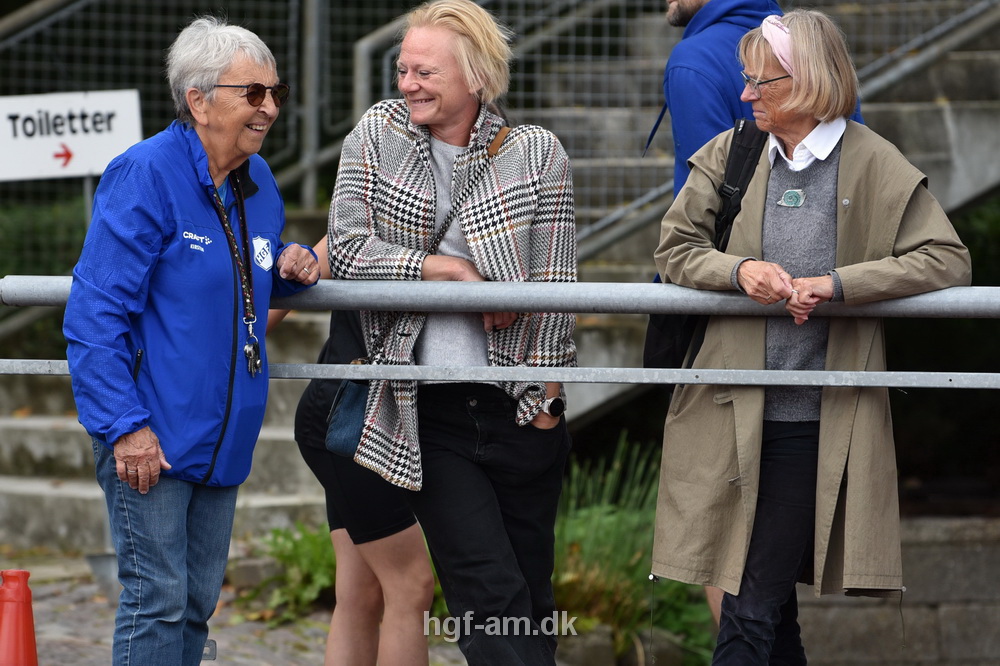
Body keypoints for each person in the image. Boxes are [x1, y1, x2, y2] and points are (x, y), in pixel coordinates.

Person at [650, 10, 971, 664]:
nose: (745, 96)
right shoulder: (733, 149)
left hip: (812, 419)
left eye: (759, 83)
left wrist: (840, 284)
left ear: (803, 84)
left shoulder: (872, 159)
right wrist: (740, 271)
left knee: (748, 607)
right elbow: (675, 248)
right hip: (731, 408)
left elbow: (946, 258)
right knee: (774, 617)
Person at [327, 0, 577, 662]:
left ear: (477, 76)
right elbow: (348, 250)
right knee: (487, 592)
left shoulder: (534, 153)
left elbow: (555, 288)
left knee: (532, 598)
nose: (408, 83)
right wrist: (449, 272)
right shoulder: (377, 133)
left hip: (516, 408)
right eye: (403, 69)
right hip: (426, 407)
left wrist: (547, 403)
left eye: (425, 71)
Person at [63, 16, 318, 665]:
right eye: (252, 93)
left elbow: (236, 281)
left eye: (275, 93)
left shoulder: (259, 187)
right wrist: (124, 425)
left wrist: (290, 262)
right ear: (198, 100)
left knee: (197, 604)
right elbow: (94, 315)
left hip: (222, 438)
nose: (269, 108)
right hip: (152, 434)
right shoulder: (145, 173)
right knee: (157, 601)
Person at [267, 236, 434, 665]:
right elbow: (270, 307)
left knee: (361, 592)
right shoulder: (367, 191)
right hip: (349, 418)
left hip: (360, 412)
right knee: (411, 585)